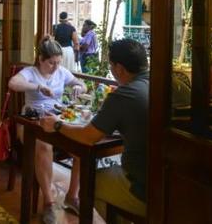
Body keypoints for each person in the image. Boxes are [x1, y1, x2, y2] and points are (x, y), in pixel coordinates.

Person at [41, 38, 149, 221]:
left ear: (119, 69)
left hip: (144, 188)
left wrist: (57, 125)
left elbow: (88, 137)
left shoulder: (124, 95)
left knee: (92, 181)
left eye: (111, 66)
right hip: (175, 184)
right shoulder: (162, 84)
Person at [8, 35, 87, 224]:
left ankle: (72, 196)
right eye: (51, 63)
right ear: (41, 59)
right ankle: (49, 203)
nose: (56, 67)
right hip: (30, 123)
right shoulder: (30, 72)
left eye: (58, 63)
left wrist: (78, 87)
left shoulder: (61, 72)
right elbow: (13, 83)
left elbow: (81, 83)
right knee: (44, 147)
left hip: (56, 120)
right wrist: (38, 87)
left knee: (81, 149)